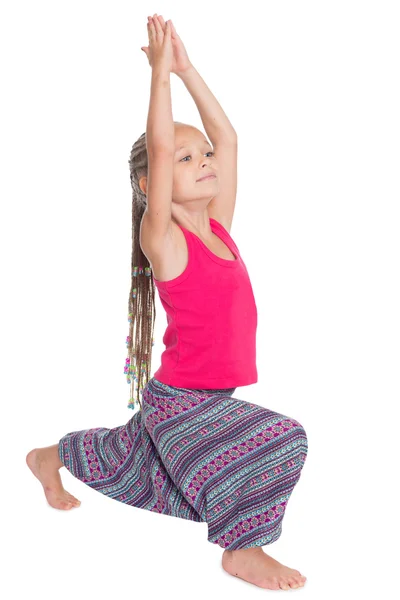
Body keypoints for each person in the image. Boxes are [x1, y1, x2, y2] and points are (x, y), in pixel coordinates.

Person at [26, 13, 308, 592]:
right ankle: (242, 549)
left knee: (127, 462)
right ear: (151, 185)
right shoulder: (166, 241)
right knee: (283, 436)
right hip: (181, 402)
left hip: (208, 397)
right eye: (186, 160)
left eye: (202, 156)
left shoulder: (219, 230)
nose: (205, 162)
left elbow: (229, 139)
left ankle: (48, 457)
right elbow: (157, 146)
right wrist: (159, 76)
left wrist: (187, 68)